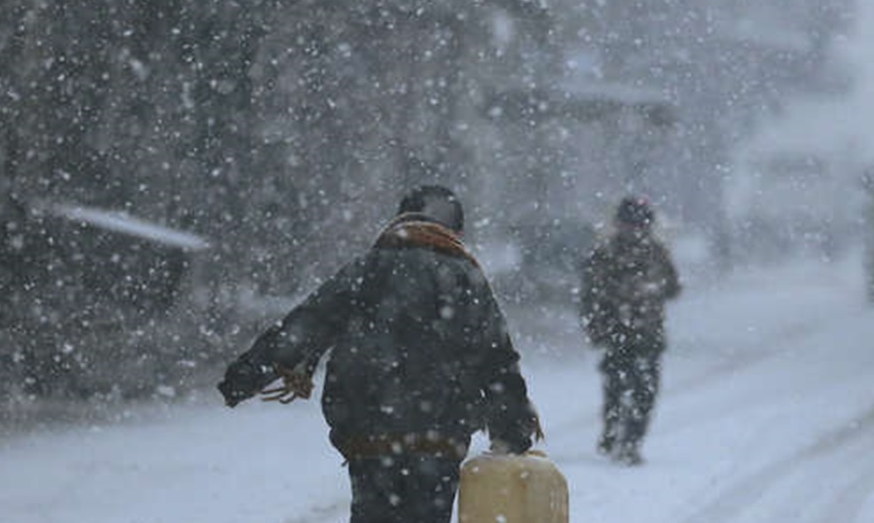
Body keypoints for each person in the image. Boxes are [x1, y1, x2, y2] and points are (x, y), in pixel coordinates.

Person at [217, 185, 541, 523]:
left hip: (369, 431)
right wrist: (511, 428)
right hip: (440, 435)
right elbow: (495, 357)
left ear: (398, 220)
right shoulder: (464, 275)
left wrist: (246, 375)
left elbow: (307, 324)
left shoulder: (366, 270)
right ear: (456, 232)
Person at [578, 195, 681, 465]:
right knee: (631, 389)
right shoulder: (644, 252)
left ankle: (623, 439)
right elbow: (590, 294)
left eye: (639, 224)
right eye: (632, 224)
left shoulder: (613, 252)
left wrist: (596, 325)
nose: (635, 230)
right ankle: (622, 438)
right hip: (629, 333)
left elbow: (672, 288)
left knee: (629, 389)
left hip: (631, 334)